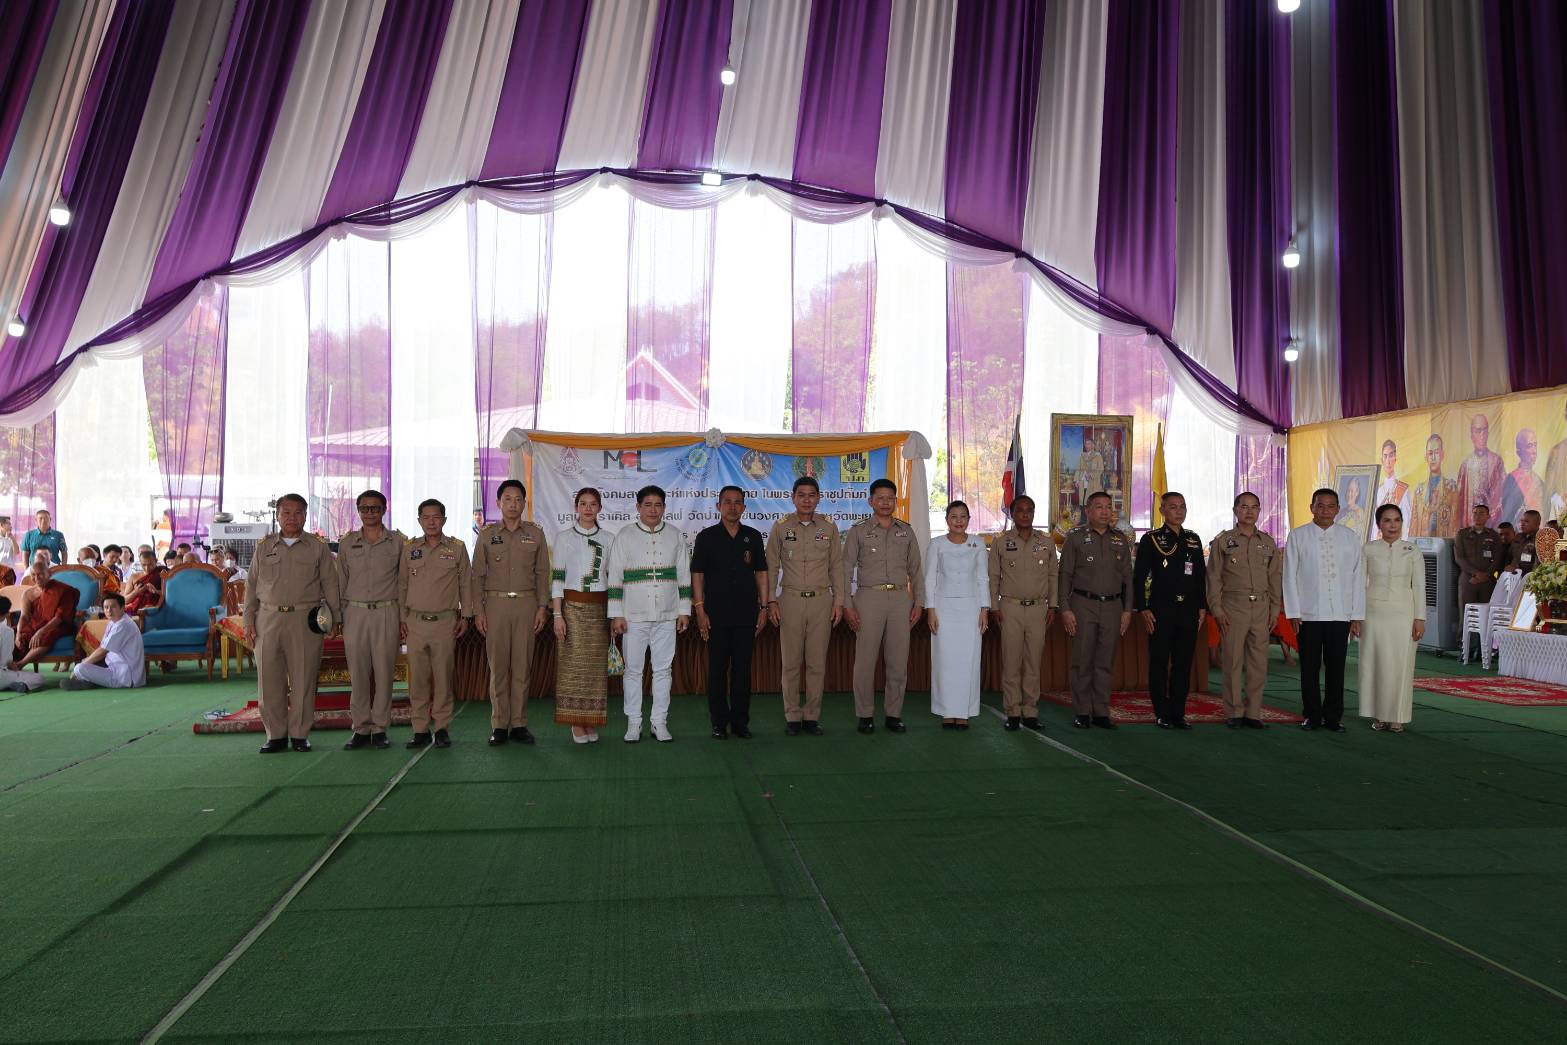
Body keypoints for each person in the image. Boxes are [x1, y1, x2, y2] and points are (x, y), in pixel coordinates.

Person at [243, 493, 341, 754]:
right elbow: (251, 585)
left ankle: (299, 734)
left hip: (305, 619)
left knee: (304, 679)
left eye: (298, 512)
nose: (292, 518)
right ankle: (275, 735)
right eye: (286, 512)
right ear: (277, 516)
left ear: (306, 516)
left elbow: (330, 584)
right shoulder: (264, 546)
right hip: (268, 619)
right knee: (269, 680)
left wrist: (335, 619)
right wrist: (248, 621)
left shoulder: (317, 547)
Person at [607, 485, 690, 743]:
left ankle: (659, 722)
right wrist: (616, 614)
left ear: (664, 507)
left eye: (658, 505)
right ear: (638, 507)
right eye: (647, 505)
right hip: (633, 616)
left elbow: (684, 575)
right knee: (633, 671)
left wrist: (684, 611)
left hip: (667, 614)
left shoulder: (675, 535)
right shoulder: (625, 535)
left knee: (663, 670)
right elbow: (615, 577)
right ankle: (634, 723)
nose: (653, 510)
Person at [473, 479, 552, 746]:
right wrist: (478, 611)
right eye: (507, 499)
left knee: (522, 666)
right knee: (498, 668)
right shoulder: (486, 535)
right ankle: (499, 725)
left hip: (526, 605)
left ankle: (518, 724)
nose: (513, 504)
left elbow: (542, 573)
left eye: (518, 499)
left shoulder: (536, 534)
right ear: (498, 503)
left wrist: (542, 607)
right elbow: (477, 576)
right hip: (495, 606)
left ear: (524, 503)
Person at [842, 479, 923, 735]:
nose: (885, 502)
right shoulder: (858, 531)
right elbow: (845, 570)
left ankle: (893, 714)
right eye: (880, 498)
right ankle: (865, 714)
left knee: (898, 662)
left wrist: (919, 603)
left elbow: (916, 571)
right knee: (865, 662)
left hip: (900, 600)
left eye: (890, 498)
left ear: (895, 501)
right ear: (871, 501)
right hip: (868, 599)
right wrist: (847, 605)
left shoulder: (906, 531)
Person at [766, 476, 844, 736]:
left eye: (811, 495)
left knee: (816, 664)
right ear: (793, 497)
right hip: (790, 600)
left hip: (822, 601)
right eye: (801, 495)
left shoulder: (829, 527)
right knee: (790, 663)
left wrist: (839, 601)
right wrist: (770, 600)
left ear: (818, 498)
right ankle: (792, 715)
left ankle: (811, 716)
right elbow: (771, 566)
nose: (807, 500)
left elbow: (837, 566)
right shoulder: (781, 527)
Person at [1284, 488, 1365, 733]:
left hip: (1340, 614)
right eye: (1320, 505)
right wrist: (1293, 611)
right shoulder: (1298, 536)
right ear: (1312, 508)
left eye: (1331, 506)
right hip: (1308, 614)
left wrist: (1356, 615)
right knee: (1309, 667)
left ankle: (1333, 717)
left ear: (1338, 509)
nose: (1325, 511)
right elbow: (1289, 576)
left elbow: (1358, 578)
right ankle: (1311, 715)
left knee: (1336, 668)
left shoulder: (1350, 537)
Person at [691, 486, 769, 740]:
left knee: (742, 670)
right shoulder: (706, 537)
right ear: (718, 506)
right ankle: (718, 723)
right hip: (715, 614)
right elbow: (697, 575)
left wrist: (764, 607)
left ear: (744, 507)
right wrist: (699, 609)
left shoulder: (753, 537)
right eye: (727, 502)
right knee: (716, 669)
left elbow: (761, 573)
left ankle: (740, 723)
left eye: (737, 502)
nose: (732, 507)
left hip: (746, 614)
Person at [1058, 491, 1134, 729]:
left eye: (1108, 507)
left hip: (1113, 606)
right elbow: (1065, 576)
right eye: (1099, 506)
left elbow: (1128, 579)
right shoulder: (1076, 538)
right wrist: (1065, 609)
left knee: (1105, 661)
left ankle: (1101, 711)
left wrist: (1127, 610)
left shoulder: (1120, 539)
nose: (1105, 511)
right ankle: (1082, 711)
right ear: (1088, 511)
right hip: (1083, 605)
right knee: (1082, 660)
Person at [1207, 492, 1283, 729]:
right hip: (1233, 606)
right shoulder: (1224, 541)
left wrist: (1275, 610)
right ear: (1235, 511)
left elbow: (1275, 578)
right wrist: (1217, 610)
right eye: (1244, 507)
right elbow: (1213, 578)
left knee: (1259, 662)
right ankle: (1234, 711)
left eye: (1254, 507)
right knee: (1232, 660)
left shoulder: (1267, 542)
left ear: (1259, 511)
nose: (1249, 511)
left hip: (1261, 607)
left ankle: (1253, 712)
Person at [400, 498, 470, 750]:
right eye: (426, 517)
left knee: (443, 678)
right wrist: (401, 618)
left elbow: (466, 584)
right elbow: (402, 585)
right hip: (415, 623)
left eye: (436, 517)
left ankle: (441, 728)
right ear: (419, 520)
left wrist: (466, 616)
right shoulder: (409, 549)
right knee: (418, 680)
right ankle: (420, 729)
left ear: (444, 520)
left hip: (445, 623)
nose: (431, 522)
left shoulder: (457, 548)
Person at [1134, 492, 1207, 730]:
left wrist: (1202, 606)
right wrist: (1143, 608)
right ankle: (1161, 713)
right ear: (1162, 510)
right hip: (1161, 609)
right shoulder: (1152, 539)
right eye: (1173, 507)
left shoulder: (1193, 539)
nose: (1179, 511)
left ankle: (1178, 713)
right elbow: (1140, 577)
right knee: (1159, 661)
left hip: (1188, 609)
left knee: (1183, 663)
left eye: (1182, 507)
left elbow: (1200, 577)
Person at [338, 490, 404, 751]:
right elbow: (340, 581)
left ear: (384, 510)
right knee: (358, 674)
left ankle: (380, 728)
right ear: (358, 511)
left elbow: (404, 582)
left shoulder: (398, 542)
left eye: (375, 508)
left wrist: (403, 617)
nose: (369, 513)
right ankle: (361, 728)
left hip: (387, 611)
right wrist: (339, 616)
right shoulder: (347, 543)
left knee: (385, 673)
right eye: (364, 508)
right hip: (355, 613)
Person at [987, 494, 1057, 730]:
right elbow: (993, 577)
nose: (1025, 514)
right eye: (1020, 510)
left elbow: (1053, 575)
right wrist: (994, 607)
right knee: (1011, 662)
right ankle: (1013, 712)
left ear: (1033, 514)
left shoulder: (1046, 541)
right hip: (1010, 608)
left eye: (1029, 510)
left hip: (1038, 609)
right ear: (1012, 514)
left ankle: (1030, 712)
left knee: (1033, 663)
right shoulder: (1001, 541)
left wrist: (1053, 605)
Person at [550, 488, 611, 743]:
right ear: (576, 507)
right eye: (583, 504)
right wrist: (557, 615)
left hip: (600, 611)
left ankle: (590, 720)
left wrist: (614, 614)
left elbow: (613, 579)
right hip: (571, 609)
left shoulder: (609, 538)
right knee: (573, 665)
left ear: (600, 508)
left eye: (593, 504)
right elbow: (557, 578)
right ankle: (575, 721)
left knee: (595, 668)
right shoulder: (564, 537)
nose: (588, 508)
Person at [1359, 504, 1426, 732]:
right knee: (1375, 663)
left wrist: (1420, 618)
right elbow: (1359, 584)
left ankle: (1397, 716)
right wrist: (1356, 616)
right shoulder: (1368, 549)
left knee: (1401, 665)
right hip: (1373, 613)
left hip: (1404, 614)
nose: (1392, 525)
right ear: (1379, 524)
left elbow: (1419, 585)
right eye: (1387, 520)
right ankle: (1378, 715)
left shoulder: (1412, 550)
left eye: (1397, 520)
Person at [926, 501, 989, 728]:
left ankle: (964, 712)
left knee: (968, 661)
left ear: (969, 520)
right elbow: (929, 579)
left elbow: (983, 577)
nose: (959, 521)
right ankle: (946, 711)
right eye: (954, 516)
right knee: (944, 660)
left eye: (963, 516)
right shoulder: (936, 544)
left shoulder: (978, 543)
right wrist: (930, 610)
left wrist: (984, 609)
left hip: (971, 608)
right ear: (947, 520)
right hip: (943, 609)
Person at [10, 551, 80, 670]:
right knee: (10, 632)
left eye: (40, 574)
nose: (36, 578)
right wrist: (18, 634)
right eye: (33, 575)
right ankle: (6, 664)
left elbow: (60, 617)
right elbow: (24, 616)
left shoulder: (63, 590)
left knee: (47, 635)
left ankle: (20, 664)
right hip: (35, 624)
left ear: (49, 574)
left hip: (59, 625)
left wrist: (40, 632)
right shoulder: (28, 593)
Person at [62, 593, 145, 690]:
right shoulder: (114, 622)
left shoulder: (122, 625)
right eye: (106, 607)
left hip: (124, 677)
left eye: (113, 607)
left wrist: (82, 665)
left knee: (79, 668)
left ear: (122, 608)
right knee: (90, 661)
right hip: (114, 666)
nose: (109, 610)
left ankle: (88, 681)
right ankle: (90, 681)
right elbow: (103, 648)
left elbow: (103, 651)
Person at [1455, 414, 1506, 530]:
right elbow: (1460, 500)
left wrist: (1491, 518)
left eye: (1484, 430)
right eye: (1478, 431)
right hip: (1470, 527)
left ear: (1488, 433)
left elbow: (1503, 495)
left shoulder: (1496, 461)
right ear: (1472, 435)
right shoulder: (1466, 465)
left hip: (1491, 525)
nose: (1482, 435)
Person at [1454, 505, 1503, 615]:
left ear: (1488, 516)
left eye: (1481, 513)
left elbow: (1497, 558)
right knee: (1466, 613)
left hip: (1487, 580)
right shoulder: (1462, 534)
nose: (1477, 516)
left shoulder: (1494, 535)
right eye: (1475, 513)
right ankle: (1463, 628)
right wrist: (1476, 573)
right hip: (1468, 579)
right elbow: (1459, 558)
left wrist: (1486, 575)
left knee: (1486, 613)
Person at [1409, 434, 1458, 538]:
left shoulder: (1451, 488)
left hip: (1442, 544)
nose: (1433, 458)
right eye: (1430, 453)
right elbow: (1413, 527)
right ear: (1426, 457)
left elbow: (1454, 525)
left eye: (1436, 453)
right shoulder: (1419, 491)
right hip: (1422, 545)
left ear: (1442, 455)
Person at [1375, 440, 1412, 524]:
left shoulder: (1403, 489)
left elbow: (1407, 523)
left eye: (1391, 456)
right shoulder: (1378, 491)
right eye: (1385, 456)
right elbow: (1374, 525)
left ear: (1395, 459)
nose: (1388, 461)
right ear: (1382, 460)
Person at [123, 549, 166, 614]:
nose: (147, 568)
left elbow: (170, 595)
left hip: (155, 610)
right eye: (143, 565)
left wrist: (156, 591)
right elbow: (125, 600)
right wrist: (136, 592)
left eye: (150, 564)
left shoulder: (162, 573)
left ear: (156, 561)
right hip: (135, 609)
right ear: (140, 562)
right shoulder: (134, 577)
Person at [1504, 510, 1542, 575]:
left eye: (1526, 521)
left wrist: (1516, 568)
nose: (1522, 524)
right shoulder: (1518, 537)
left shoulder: (1541, 540)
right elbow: (1509, 557)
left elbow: (1539, 566)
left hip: (1528, 578)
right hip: (1511, 576)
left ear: (1537, 523)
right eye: (1522, 521)